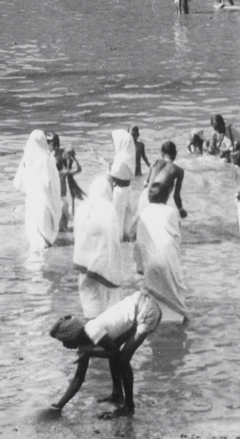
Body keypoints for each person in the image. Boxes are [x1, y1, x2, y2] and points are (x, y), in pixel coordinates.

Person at [49, 289, 162, 418]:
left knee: (123, 360)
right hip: (137, 307)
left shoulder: (93, 331)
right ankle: (117, 394)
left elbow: (115, 353)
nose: (65, 346)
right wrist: (59, 405)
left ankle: (129, 407)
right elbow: (78, 378)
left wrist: (90, 353)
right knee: (113, 350)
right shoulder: (84, 344)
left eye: (65, 341)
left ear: (74, 335)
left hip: (146, 310)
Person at [134, 173, 188, 320]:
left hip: (149, 262)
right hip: (168, 261)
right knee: (175, 297)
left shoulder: (143, 213)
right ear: (166, 197)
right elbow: (176, 235)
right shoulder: (171, 211)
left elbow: (138, 242)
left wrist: (140, 268)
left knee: (154, 297)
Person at [73, 172, 122, 316]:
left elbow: (79, 237)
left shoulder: (82, 207)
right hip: (103, 268)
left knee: (90, 306)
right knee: (109, 311)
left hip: (83, 266)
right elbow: (113, 242)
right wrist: (116, 271)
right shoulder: (108, 209)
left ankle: (90, 333)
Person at [14, 129, 63, 250]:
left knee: (34, 229)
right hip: (44, 202)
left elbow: (17, 183)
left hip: (31, 201)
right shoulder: (46, 159)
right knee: (44, 232)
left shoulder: (26, 159)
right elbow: (49, 183)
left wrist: (30, 192)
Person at [108, 128, 137, 241]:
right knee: (127, 219)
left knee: (117, 219)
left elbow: (112, 177)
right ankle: (126, 240)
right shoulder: (129, 154)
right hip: (128, 189)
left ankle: (118, 241)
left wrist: (107, 167)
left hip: (119, 191)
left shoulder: (120, 159)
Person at [52, 134, 84, 230]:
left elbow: (77, 169)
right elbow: (78, 169)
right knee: (63, 226)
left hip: (58, 199)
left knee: (61, 226)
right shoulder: (63, 172)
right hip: (61, 199)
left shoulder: (59, 171)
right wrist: (74, 158)